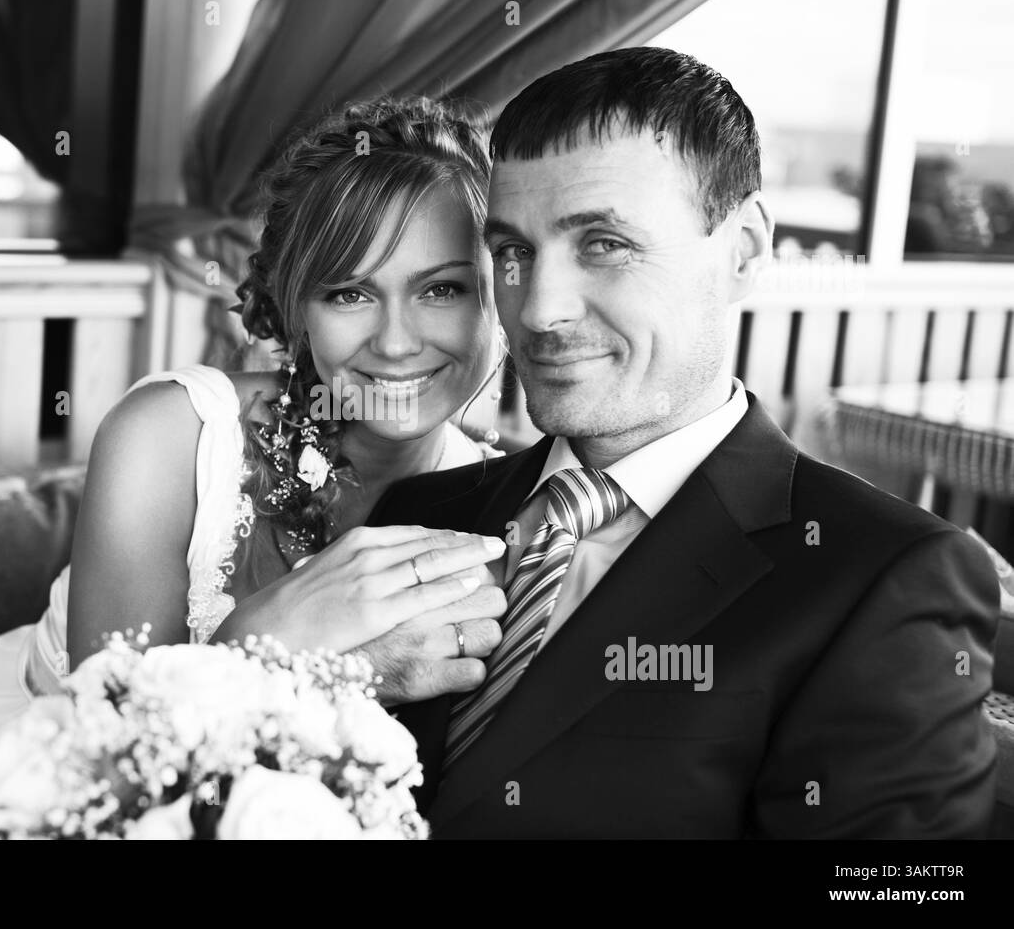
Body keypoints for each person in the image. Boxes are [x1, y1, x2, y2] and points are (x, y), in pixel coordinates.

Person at [0, 95, 509, 838]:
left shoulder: (512, 505)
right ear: (293, 304)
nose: (399, 341)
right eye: (349, 293)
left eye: (442, 289)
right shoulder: (173, 432)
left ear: (501, 296)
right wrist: (284, 642)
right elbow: (111, 736)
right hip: (24, 765)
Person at [363, 48, 1001, 838]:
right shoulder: (420, 511)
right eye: (513, 254)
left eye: (603, 244)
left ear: (743, 250)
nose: (538, 312)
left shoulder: (879, 579)